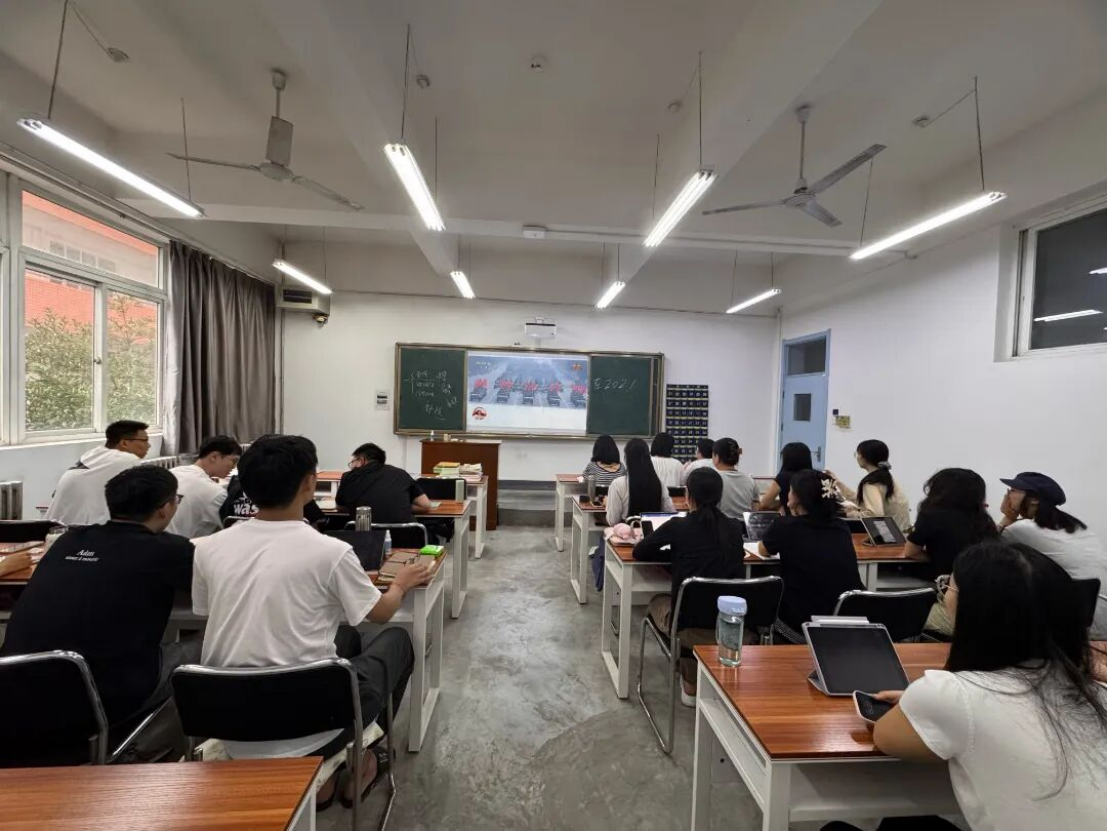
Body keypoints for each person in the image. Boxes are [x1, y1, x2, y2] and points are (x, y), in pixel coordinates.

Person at [192, 435, 433, 805]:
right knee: (398, 640)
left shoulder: (207, 548)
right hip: (313, 721)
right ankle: (363, 759)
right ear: (309, 483)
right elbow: (382, 614)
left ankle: (327, 779)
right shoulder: (331, 551)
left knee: (347, 637)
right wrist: (400, 583)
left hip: (226, 721)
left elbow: (210, 613)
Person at [860, 542, 1107, 831]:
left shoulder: (950, 694)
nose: (944, 593)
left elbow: (886, 736)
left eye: (947, 586)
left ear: (974, 609)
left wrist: (926, 704)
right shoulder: (1097, 693)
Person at [1, 466, 196, 735]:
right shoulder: (170, 549)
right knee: (207, 647)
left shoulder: (68, 540)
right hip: (101, 697)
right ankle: (147, 747)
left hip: (13, 690)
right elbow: (212, 589)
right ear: (165, 509)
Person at [633, 468, 747, 705]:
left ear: (688, 496)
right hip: (728, 622)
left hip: (687, 623)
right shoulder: (734, 528)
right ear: (719, 495)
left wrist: (674, 555)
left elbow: (640, 551)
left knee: (656, 602)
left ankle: (687, 672)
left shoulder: (678, 526)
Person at [997, 472, 1107, 639]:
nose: (1006, 496)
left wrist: (1007, 517)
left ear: (1034, 499)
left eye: (1012, 490)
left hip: (1081, 624)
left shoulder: (1022, 529)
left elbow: (985, 552)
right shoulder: (1077, 526)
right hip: (1098, 613)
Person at [760, 469, 862, 642]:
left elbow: (763, 549)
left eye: (790, 490)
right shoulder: (841, 527)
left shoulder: (784, 526)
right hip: (843, 622)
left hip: (800, 625)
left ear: (797, 498)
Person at [904, 468, 998, 636]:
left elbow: (910, 552)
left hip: (954, 602)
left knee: (900, 613)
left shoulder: (931, 516)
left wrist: (935, 557)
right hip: (987, 603)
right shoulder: (985, 521)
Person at [45, 420, 150, 526]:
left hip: (52, 527)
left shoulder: (92, 454)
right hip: (82, 528)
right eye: (144, 440)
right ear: (124, 443)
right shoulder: (128, 460)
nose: (149, 445)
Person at [166, 435, 242, 538]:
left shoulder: (173, 472)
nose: (234, 467)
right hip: (180, 544)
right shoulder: (215, 493)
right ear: (214, 457)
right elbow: (235, 528)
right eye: (233, 461)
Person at [335, 442, 432, 524]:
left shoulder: (349, 476)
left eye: (352, 462)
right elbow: (425, 506)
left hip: (365, 535)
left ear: (362, 460)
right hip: (403, 535)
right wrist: (399, 506)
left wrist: (360, 506)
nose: (351, 466)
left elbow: (340, 507)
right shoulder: (400, 473)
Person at [826, 439, 911, 529]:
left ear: (865, 457)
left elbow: (875, 515)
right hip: (902, 532)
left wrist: (852, 514)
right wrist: (838, 483)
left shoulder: (871, 483)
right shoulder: (885, 477)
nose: (857, 457)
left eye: (858, 454)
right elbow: (864, 500)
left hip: (889, 534)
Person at [606, 438, 674, 526]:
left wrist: (608, 504)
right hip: (653, 533)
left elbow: (613, 521)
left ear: (626, 459)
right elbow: (670, 514)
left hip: (627, 532)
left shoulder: (617, 485)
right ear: (648, 458)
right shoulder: (659, 484)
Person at [755, 441, 812, 514]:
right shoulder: (816, 476)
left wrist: (781, 503)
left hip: (792, 518)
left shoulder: (783, 478)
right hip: (817, 519)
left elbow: (765, 503)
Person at [711, 437, 759, 519]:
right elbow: (754, 511)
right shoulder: (750, 481)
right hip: (744, 526)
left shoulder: (713, 479)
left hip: (720, 526)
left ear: (717, 457)